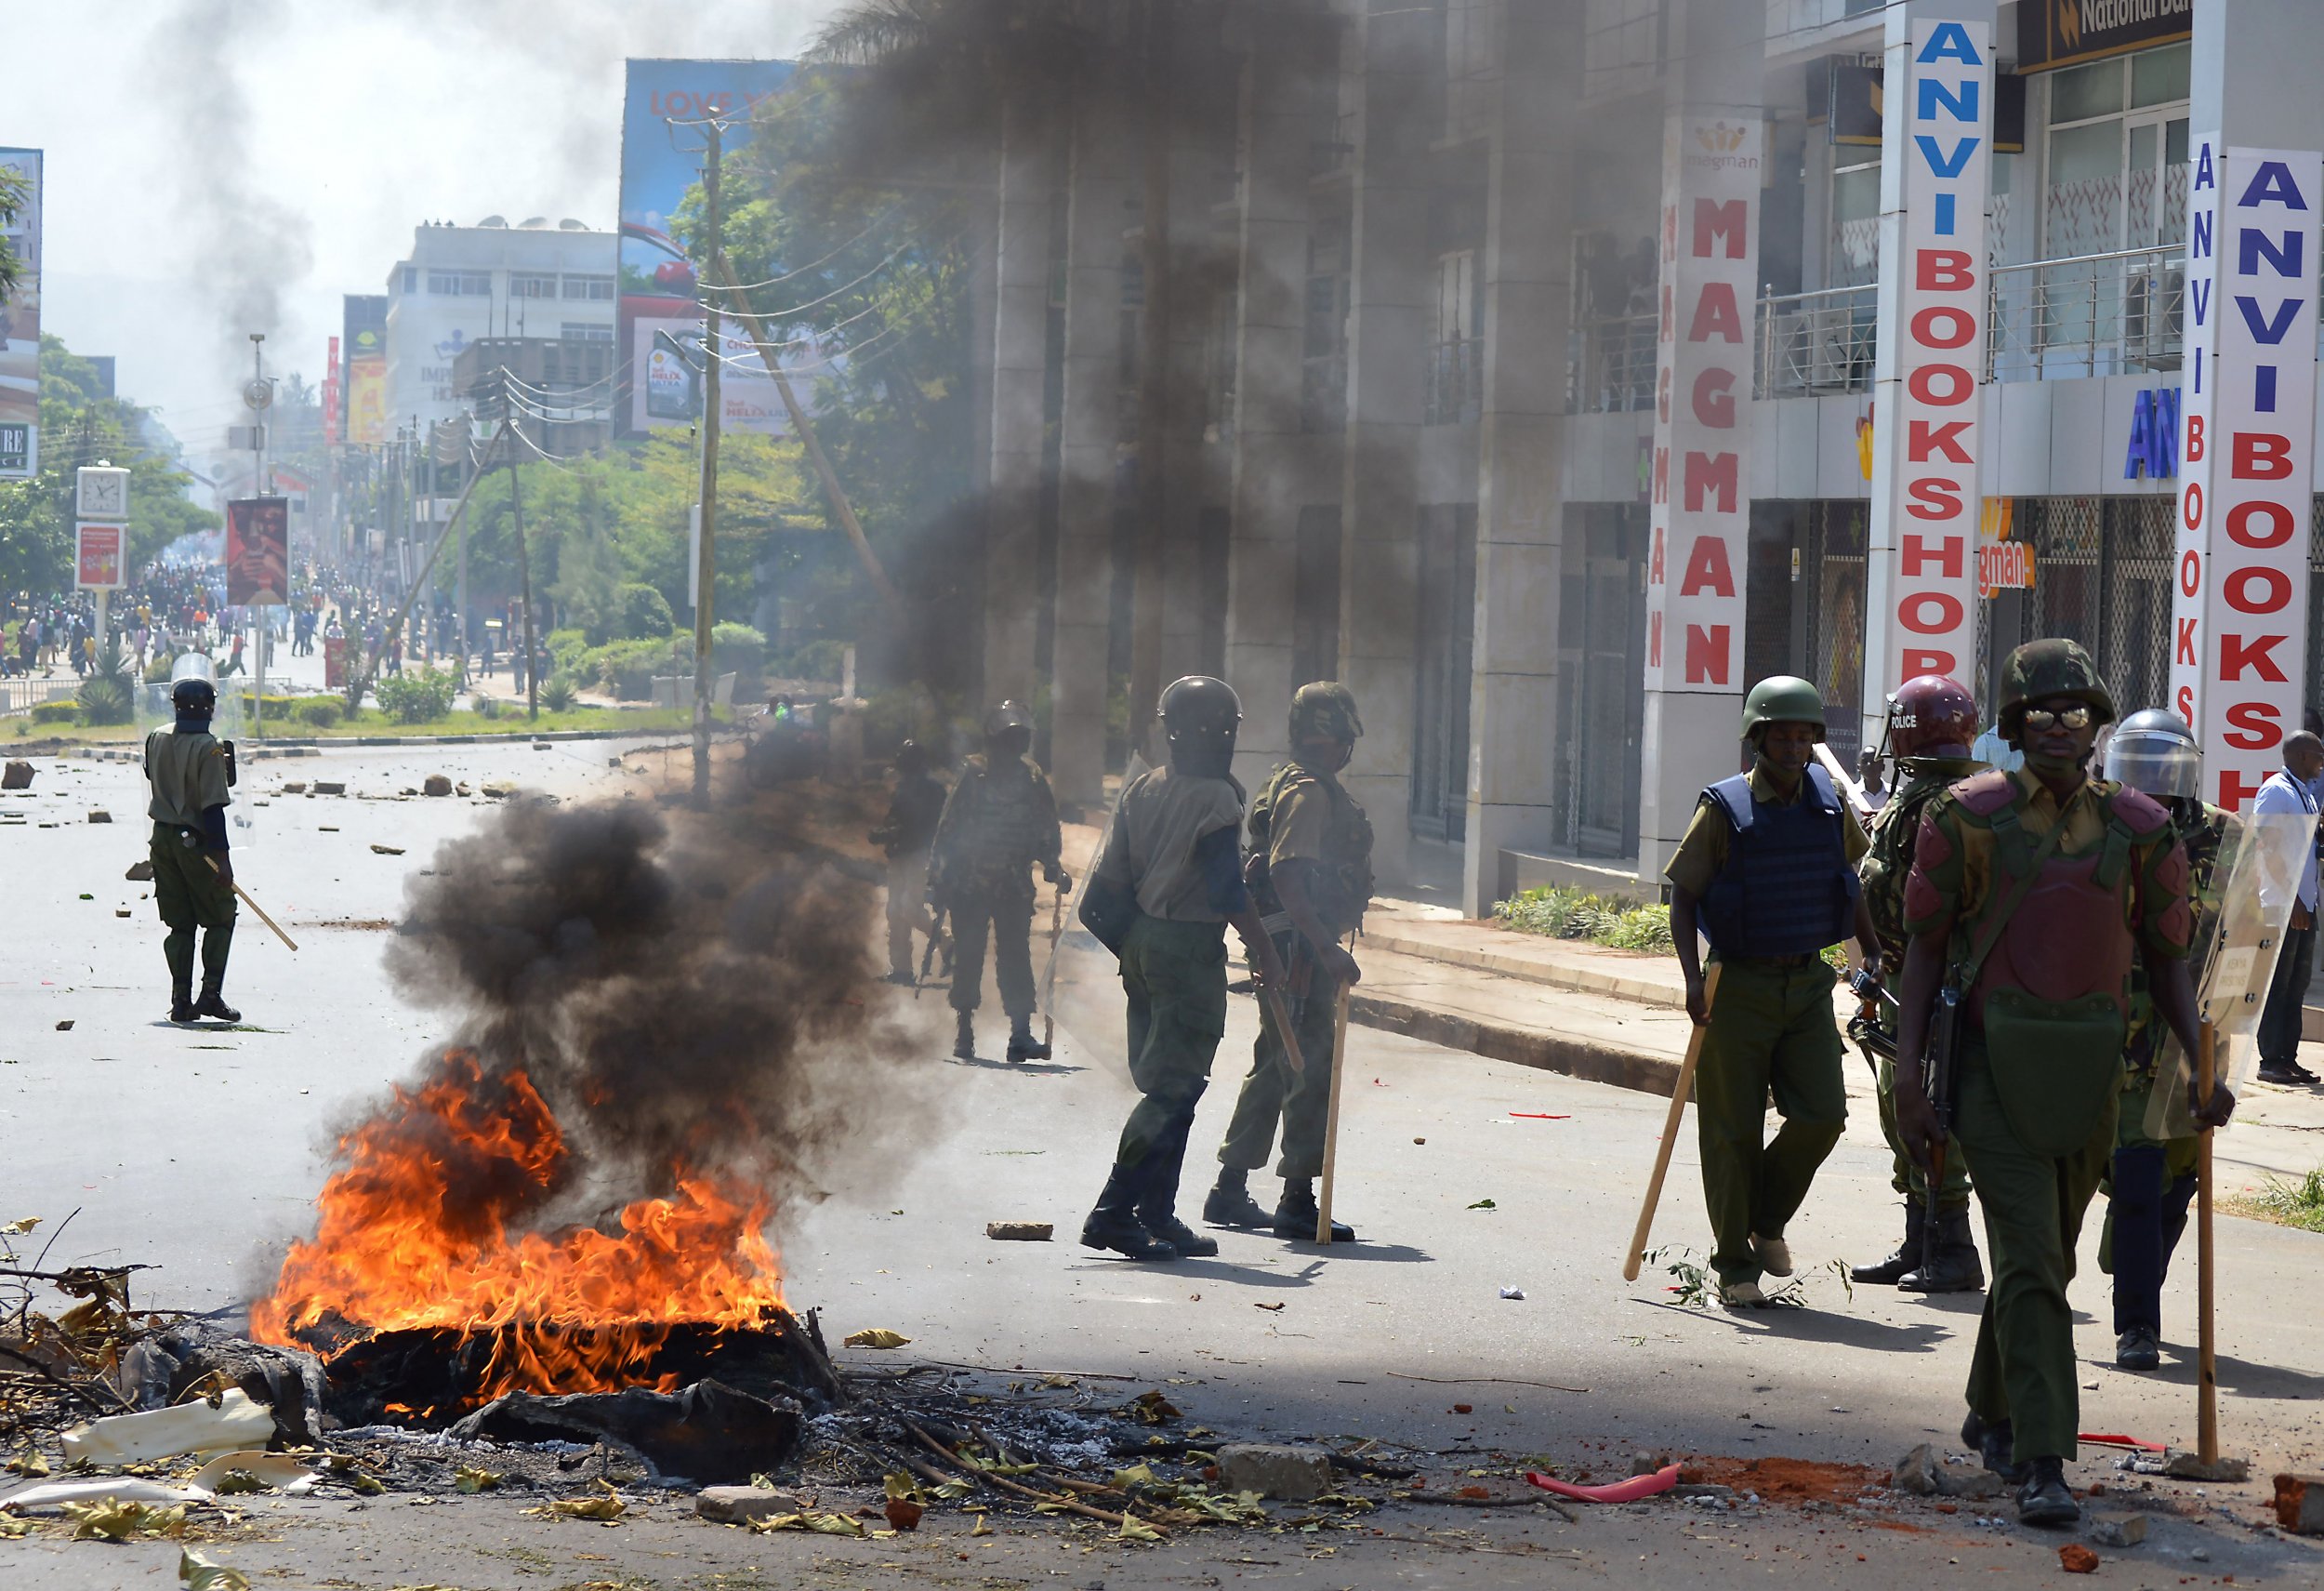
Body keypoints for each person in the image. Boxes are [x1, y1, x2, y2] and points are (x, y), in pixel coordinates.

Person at [1894, 639, 2229, 1529]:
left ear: (2098, 726)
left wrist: (2200, 1064)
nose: (2057, 728)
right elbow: (1925, 950)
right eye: (2038, 714)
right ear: (2011, 726)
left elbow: (2168, 963)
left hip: (2093, 1077)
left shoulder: (2143, 827)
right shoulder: (1964, 817)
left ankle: (1988, 1408)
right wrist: (1908, 1076)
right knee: (2036, 1258)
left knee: (2043, 1256)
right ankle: (2043, 1458)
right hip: (1987, 1074)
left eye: (2075, 713)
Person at [1666, 675, 1880, 1309]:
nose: (1793, 746)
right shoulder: (1724, 808)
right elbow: (1683, 895)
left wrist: (1873, 953)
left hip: (1808, 981)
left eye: (1804, 734)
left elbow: (1850, 881)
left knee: (1823, 1115)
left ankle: (1765, 1218)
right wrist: (1692, 978)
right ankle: (1733, 1264)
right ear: (1756, 739)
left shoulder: (1826, 800)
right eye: (1780, 735)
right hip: (1738, 984)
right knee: (1731, 1129)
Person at [1079, 677, 1288, 1261]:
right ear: (1224, 732)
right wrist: (1265, 950)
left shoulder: (1143, 789)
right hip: (1188, 946)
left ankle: (1158, 1215)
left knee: (1176, 1086)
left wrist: (1141, 946)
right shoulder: (1218, 800)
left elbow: (1106, 890)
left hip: (1144, 941)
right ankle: (1114, 1212)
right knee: (1174, 1089)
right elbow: (1225, 888)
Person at [1204, 682, 1374, 1243]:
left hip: (1288, 944)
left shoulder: (1291, 782)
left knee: (1277, 1063)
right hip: (1300, 949)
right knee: (1308, 1068)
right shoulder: (1308, 793)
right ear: (1337, 738)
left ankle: (1229, 1189)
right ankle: (1298, 1200)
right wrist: (1325, 947)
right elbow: (1288, 874)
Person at [2097, 709, 2234, 1371]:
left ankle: (2133, 1258)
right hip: (2123, 1031)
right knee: (2138, 1172)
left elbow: (2245, 923)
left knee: (2182, 1175)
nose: (2151, 784)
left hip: (2196, 1027)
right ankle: (2137, 1326)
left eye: (2163, 770)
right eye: (2139, 769)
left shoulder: (2221, 835)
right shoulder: (2097, 827)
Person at [1850, 674, 1986, 1293]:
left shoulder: (1936, 806)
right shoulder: (1966, 799)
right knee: (1897, 1107)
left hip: (1927, 984)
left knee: (1925, 1107)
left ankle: (1953, 1248)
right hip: (1905, 977)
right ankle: (1920, 1241)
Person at [927, 701, 1068, 1064]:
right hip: (969, 884)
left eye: (1021, 738)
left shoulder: (1032, 777)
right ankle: (964, 1029)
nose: (1016, 745)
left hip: (1013, 884)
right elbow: (949, 827)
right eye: (1010, 738)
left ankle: (1020, 1033)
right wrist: (937, 878)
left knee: (1016, 957)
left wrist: (1052, 863)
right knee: (969, 954)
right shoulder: (974, 774)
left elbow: (1045, 825)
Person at [144, 673, 242, 1025]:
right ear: (210, 708)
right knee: (221, 914)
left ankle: (180, 1000)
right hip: (196, 844)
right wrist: (223, 860)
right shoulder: (210, 747)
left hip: (162, 840)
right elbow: (213, 807)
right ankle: (211, 995)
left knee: (180, 924)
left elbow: (150, 775)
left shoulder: (156, 737)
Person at [2252, 732, 2323, 1086]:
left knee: (2297, 984)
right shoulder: (2276, 790)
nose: (2322, 762)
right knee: (2277, 984)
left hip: (2305, 903)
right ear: (2301, 755)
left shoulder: (2305, 794)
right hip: (2282, 904)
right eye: (2318, 755)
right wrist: (2292, 899)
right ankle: (2270, 1059)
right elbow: (2266, 846)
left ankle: (2288, 1058)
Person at [872, 738, 949, 986]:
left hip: (920, 854)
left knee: (910, 908)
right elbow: (896, 819)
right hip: (900, 854)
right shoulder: (904, 787)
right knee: (895, 911)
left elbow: (927, 826)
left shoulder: (934, 790)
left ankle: (949, 946)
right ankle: (902, 970)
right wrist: (886, 832)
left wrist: (892, 833)